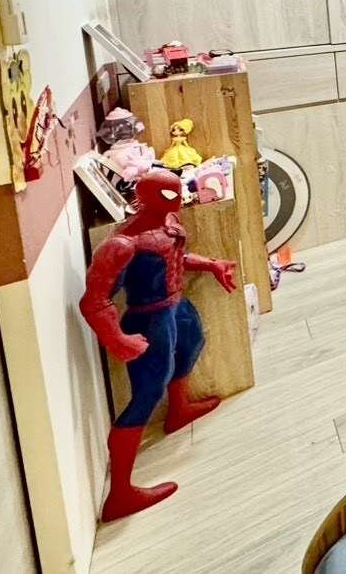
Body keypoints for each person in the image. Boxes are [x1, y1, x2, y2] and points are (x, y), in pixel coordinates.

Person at [79, 168, 237, 519]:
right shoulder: (123, 244)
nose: (176, 201)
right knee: (147, 393)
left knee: (191, 346)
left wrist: (211, 264)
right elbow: (95, 299)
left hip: (174, 305)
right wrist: (117, 338)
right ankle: (120, 493)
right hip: (148, 316)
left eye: (178, 192)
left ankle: (178, 410)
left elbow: (176, 259)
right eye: (168, 195)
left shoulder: (168, 224)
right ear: (145, 197)